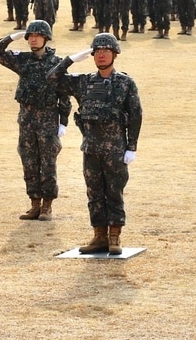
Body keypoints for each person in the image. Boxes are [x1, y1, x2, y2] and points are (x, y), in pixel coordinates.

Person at [49, 33, 142, 256]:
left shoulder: (125, 83)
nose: (101, 55)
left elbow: (136, 115)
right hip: (90, 149)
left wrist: (132, 146)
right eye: (97, 51)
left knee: (114, 192)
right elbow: (51, 78)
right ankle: (99, 236)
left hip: (115, 149)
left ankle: (114, 237)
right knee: (94, 193)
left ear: (115, 54)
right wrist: (70, 60)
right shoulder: (83, 81)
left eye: (105, 51)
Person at [0, 20, 69, 221]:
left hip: (48, 120)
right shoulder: (23, 60)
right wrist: (12, 37)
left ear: (46, 38)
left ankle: (47, 206)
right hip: (26, 120)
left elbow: (64, 95)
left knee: (47, 163)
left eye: (37, 35)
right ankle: (34, 203)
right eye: (30, 36)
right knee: (29, 161)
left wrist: (63, 122)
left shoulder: (57, 63)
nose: (33, 39)